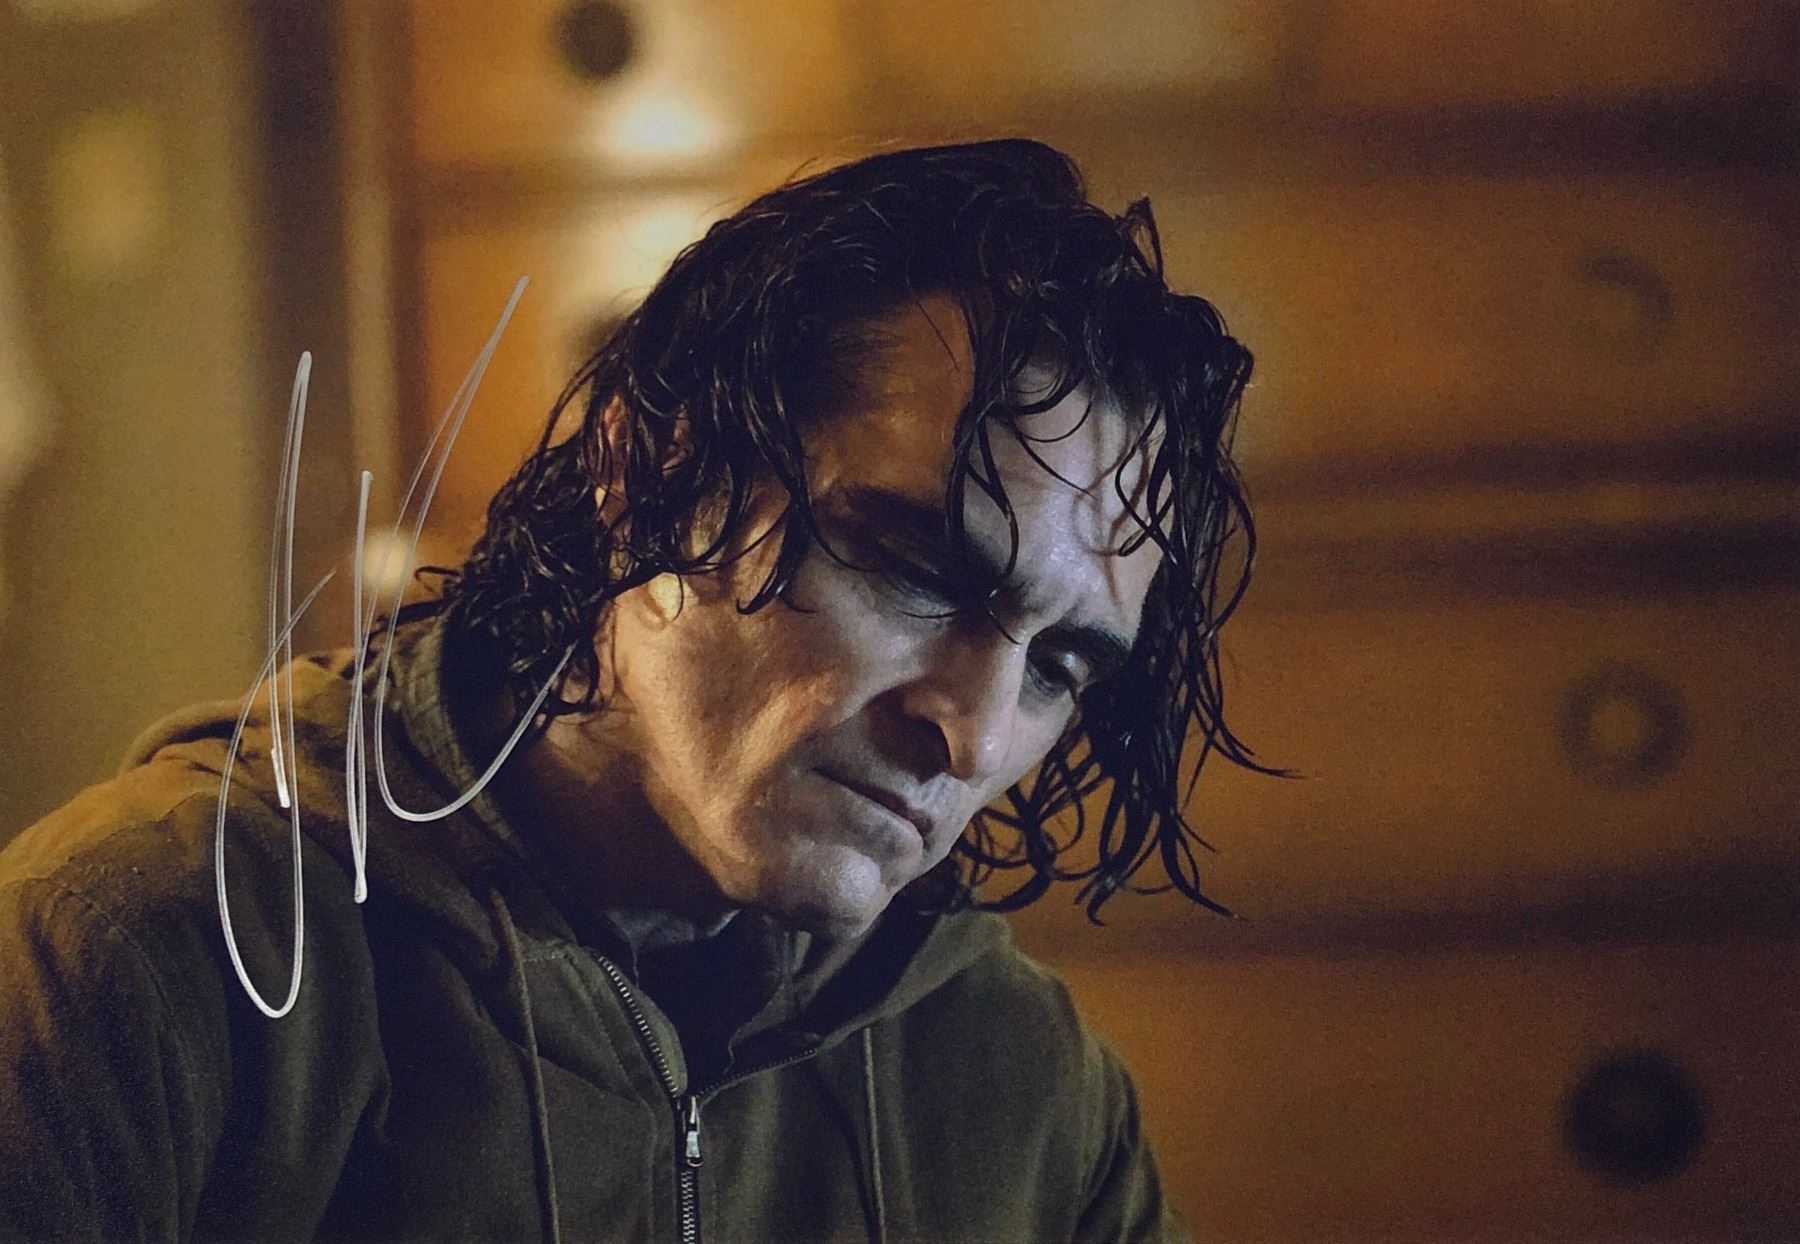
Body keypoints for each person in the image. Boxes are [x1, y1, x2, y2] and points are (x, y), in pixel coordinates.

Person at [0, 138, 1260, 1242]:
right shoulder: (139, 958)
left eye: (1059, 664)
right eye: (917, 569)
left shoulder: (1018, 1084)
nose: (975, 730)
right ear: (648, 470)